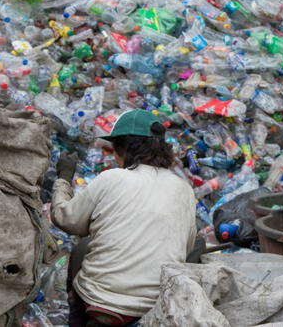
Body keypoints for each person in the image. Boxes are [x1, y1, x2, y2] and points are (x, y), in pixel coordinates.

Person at [51, 109, 197, 327]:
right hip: (157, 306)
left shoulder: (112, 178)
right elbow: (186, 247)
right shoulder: (183, 189)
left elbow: (65, 219)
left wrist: (63, 178)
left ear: (124, 149)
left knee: (81, 250)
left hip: (99, 302)